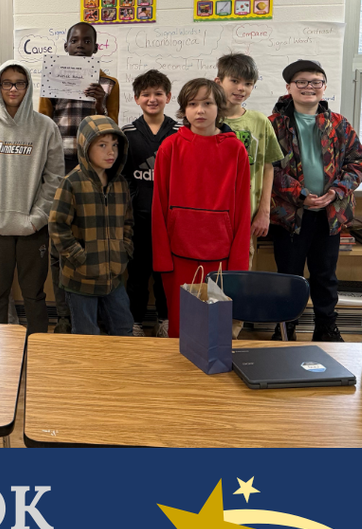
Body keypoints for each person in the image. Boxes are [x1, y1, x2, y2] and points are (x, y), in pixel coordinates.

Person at [269, 60, 362, 342]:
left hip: (329, 214)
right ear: (288, 87)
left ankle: (326, 327)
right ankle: (286, 327)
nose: (309, 87)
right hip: (290, 216)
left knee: (325, 276)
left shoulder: (339, 124)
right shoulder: (274, 125)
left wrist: (335, 192)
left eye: (316, 82)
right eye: (301, 82)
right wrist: (300, 194)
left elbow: (358, 162)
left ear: (324, 87)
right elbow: (268, 170)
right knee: (288, 277)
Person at [0, 62, 63, 335]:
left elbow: (54, 178)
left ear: (28, 86)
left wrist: (38, 218)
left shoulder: (46, 127)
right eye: (6, 83)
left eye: (20, 82)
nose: (13, 88)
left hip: (34, 228)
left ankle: (38, 348)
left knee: (34, 294)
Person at [151, 78, 251, 338]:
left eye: (207, 103)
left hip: (221, 255)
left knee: (214, 329)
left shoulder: (235, 149)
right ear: (183, 110)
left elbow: (242, 208)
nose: (200, 111)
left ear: (219, 107)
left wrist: (238, 264)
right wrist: (161, 257)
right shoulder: (170, 147)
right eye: (192, 104)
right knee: (181, 326)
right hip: (177, 254)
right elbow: (159, 205)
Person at [39, 22, 121, 333]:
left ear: (96, 47)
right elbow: (44, 124)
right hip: (60, 166)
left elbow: (111, 130)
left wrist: (100, 102)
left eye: (87, 41)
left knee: (92, 242)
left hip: (93, 169)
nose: (80, 45)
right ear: (66, 46)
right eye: (74, 40)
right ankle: (64, 317)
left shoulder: (108, 83)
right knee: (61, 243)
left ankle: (93, 317)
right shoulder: (52, 78)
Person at [214, 52, 285, 334]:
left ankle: (232, 332)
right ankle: (207, 327)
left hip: (247, 214)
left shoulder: (259, 122)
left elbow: (269, 167)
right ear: (218, 81)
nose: (240, 89)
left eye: (248, 83)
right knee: (209, 274)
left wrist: (264, 210)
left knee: (238, 275)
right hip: (213, 215)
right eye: (234, 81)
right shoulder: (205, 116)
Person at [49, 116, 135, 336]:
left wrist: (124, 250)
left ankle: (117, 370)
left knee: (123, 327)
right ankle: (87, 371)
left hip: (113, 277)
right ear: (86, 147)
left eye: (115, 145)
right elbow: (58, 227)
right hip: (80, 279)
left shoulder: (120, 184)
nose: (111, 152)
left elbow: (127, 222)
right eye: (102, 145)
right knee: (86, 333)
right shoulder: (71, 183)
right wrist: (79, 257)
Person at [122, 69, 178, 336]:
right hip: (138, 219)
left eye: (158, 93)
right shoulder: (127, 134)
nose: (152, 99)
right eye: (146, 94)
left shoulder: (181, 133)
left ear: (169, 96)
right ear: (136, 99)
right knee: (137, 274)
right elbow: (122, 178)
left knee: (166, 274)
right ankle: (134, 322)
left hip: (171, 220)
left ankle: (166, 321)